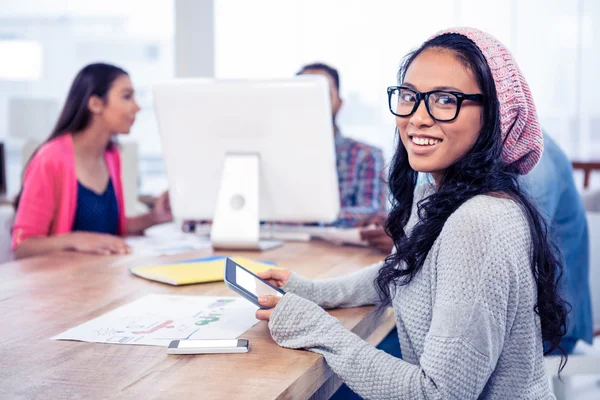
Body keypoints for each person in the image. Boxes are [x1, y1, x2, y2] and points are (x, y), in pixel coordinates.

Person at [254, 28, 568, 399]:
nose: (417, 117)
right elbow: (403, 272)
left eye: (445, 99)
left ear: (495, 115)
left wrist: (318, 329)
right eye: (409, 96)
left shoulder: (481, 221)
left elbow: (436, 394)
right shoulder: (437, 193)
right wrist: (311, 291)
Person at [362, 131, 593, 355]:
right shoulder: (481, 148)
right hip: (488, 318)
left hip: (542, 333)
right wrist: (407, 223)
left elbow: (498, 256)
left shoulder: (532, 164)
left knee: (347, 373)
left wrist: (414, 239)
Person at [12, 63, 172, 259]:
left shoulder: (111, 155)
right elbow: (23, 246)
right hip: (61, 283)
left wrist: (154, 217)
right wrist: (75, 240)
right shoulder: (50, 158)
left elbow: (109, 228)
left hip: (101, 277)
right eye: (127, 96)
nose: (137, 107)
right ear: (96, 104)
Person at [297, 63, 387, 227]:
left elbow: (373, 212)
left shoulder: (366, 155)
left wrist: (308, 218)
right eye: (303, 96)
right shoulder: (278, 156)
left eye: (324, 94)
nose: (313, 104)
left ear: (339, 103)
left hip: (341, 251)